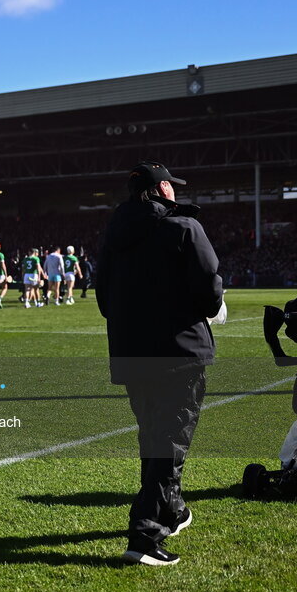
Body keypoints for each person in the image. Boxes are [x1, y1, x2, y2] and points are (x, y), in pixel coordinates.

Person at [96, 161, 222, 566]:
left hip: (131, 352)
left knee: (154, 436)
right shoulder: (184, 227)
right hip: (178, 351)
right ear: (162, 188)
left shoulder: (113, 235)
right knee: (170, 440)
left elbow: (103, 300)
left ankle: (172, 509)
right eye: (171, 185)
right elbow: (209, 291)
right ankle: (145, 535)